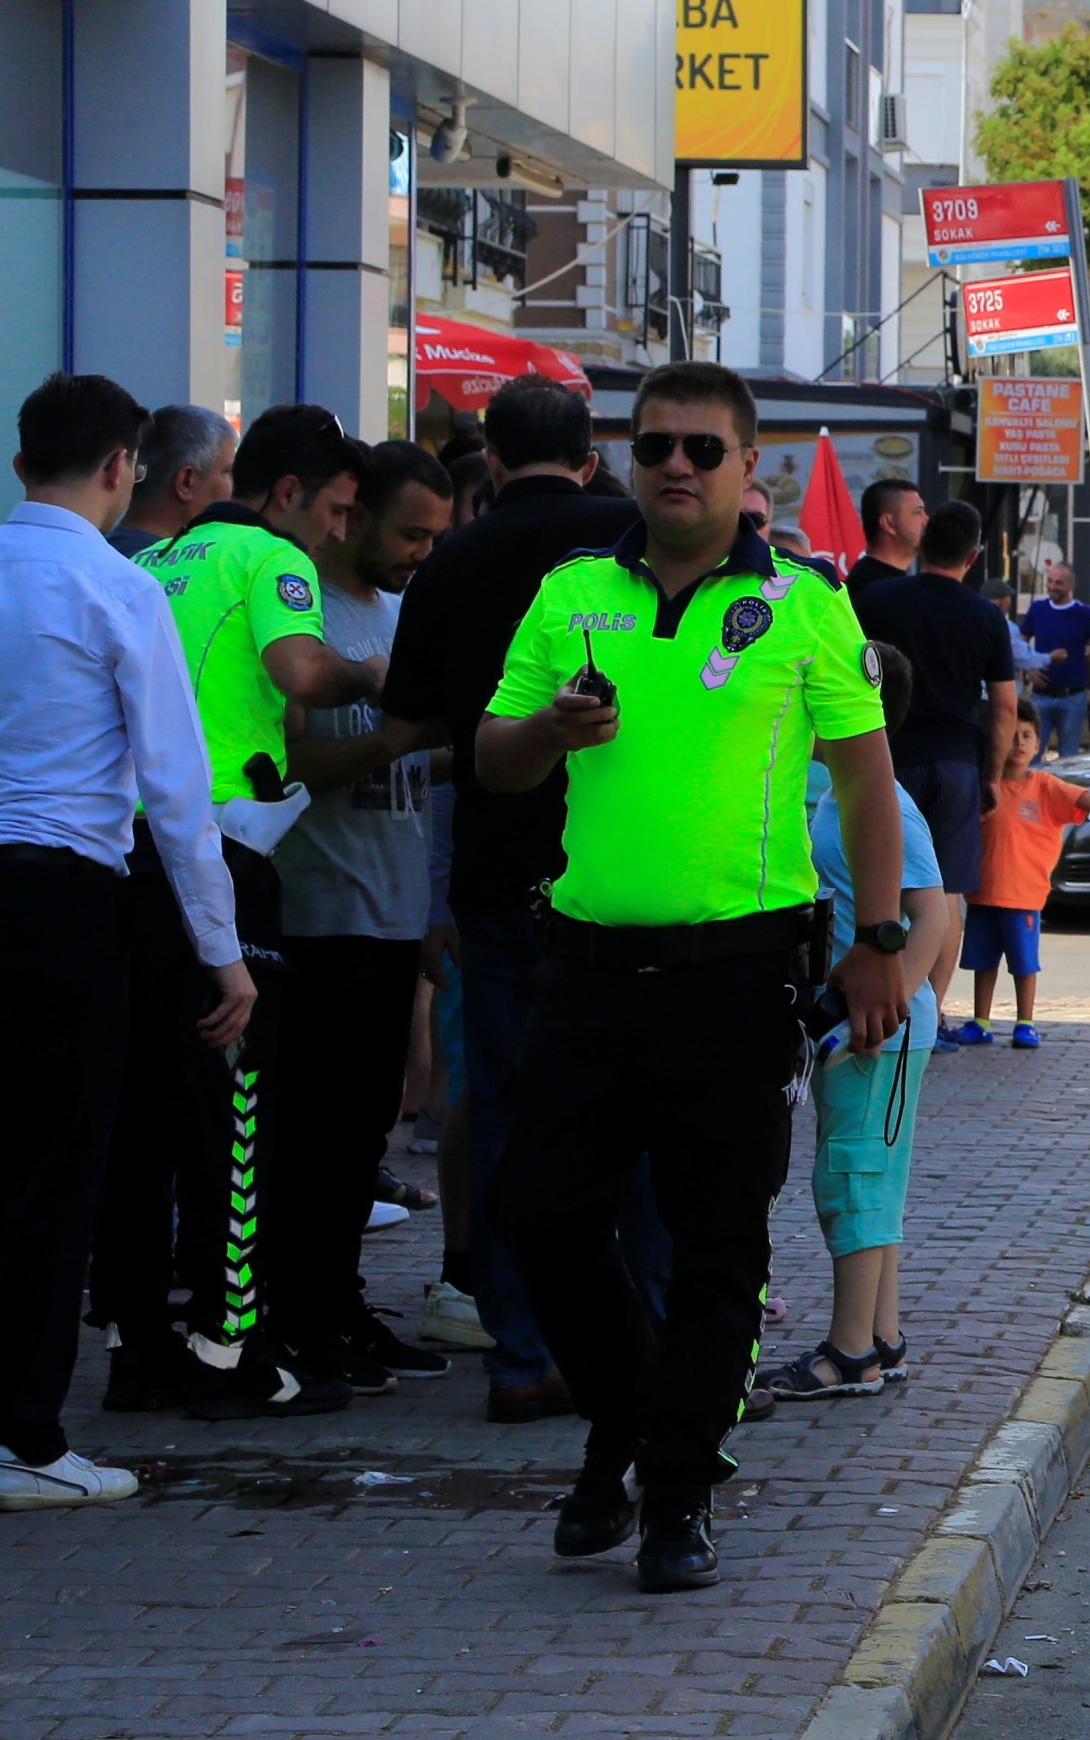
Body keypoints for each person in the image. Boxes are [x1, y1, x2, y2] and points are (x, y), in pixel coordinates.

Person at [479, 360, 909, 1594]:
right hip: (586, 971)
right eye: (656, 444)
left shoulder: (804, 607)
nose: (676, 465)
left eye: (702, 450)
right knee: (541, 1213)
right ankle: (631, 1418)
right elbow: (494, 759)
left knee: (720, 1243)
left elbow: (869, 782)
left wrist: (881, 944)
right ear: (625, 457)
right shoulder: (570, 593)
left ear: (748, 467)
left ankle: (674, 1497)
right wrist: (545, 731)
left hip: (734, 978)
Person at [0, 376, 252, 1511]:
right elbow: (176, 789)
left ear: (23, 462)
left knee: (15, 1143)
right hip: (67, 891)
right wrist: (224, 953)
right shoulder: (119, 590)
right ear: (124, 466)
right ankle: (23, 1432)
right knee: (63, 1155)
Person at [379, 373, 639, 1425]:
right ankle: (626, 1340)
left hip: (497, 872)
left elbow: (410, 726)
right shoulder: (634, 544)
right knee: (631, 1114)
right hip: (626, 870)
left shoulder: (455, 564)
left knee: (508, 1109)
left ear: (486, 459)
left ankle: (520, 1349)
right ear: (588, 454)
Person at [127, 404, 387, 1416]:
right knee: (236, 1106)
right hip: (227, 855)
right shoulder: (267, 563)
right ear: (285, 495)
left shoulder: (156, 566)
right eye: (334, 509)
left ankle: (143, 1346)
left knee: (147, 1112)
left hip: (131, 856)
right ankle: (231, 1348)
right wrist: (374, 672)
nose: (337, 532)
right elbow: (302, 672)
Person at [273, 439, 458, 1392]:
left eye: (435, 537)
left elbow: (399, 765)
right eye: (409, 533)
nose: (420, 553)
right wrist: (392, 732)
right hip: (319, 911)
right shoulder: (302, 612)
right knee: (313, 1136)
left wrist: (453, 748)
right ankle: (299, 1320)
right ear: (355, 514)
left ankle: (340, 1307)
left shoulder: (400, 612)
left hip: (389, 909)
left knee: (361, 1140)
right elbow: (291, 769)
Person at [751, 642, 948, 1405]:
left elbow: (931, 915)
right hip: (866, 1026)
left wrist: (878, 1010)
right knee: (868, 1181)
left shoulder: (883, 800)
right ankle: (882, 1337)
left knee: (851, 1181)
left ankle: (850, 1352)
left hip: (878, 1029)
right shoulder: (840, 792)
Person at [854, 498, 1017, 988]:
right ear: (973, 557)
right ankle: (931, 1014)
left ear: (923, 545)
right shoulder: (987, 616)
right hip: (956, 764)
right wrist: (993, 773)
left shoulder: (879, 599)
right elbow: (1006, 705)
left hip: (889, 759)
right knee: (943, 891)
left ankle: (882, 995)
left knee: (883, 880)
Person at [964, 702, 1090, 1047]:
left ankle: (1025, 1021)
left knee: (1023, 963)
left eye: (1027, 736)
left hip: (1024, 896)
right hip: (982, 892)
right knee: (982, 961)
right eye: (1011, 736)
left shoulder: (1045, 786)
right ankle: (980, 1021)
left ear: (1038, 744)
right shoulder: (983, 787)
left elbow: (1080, 796)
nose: (1019, 743)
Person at [108, 403, 234, 558]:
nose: (235, 486)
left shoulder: (96, 555)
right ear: (187, 482)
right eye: (228, 472)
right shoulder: (183, 571)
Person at [1021, 561, 1090, 757]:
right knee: (1032, 755)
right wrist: (1029, 669)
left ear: (1072, 586)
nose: (1052, 586)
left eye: (1059, 583)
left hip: (1072, 697)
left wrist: (1082, 663)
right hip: (1041, 695)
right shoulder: (1037, 609)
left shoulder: (1084, 613)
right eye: (1050, 581)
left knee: (1070, 755)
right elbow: (1020, 644)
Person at [850, 476, 925, 603]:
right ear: (888, 524)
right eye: (918, 512)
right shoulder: (871, 589)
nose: (926, 521)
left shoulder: (889, 583)